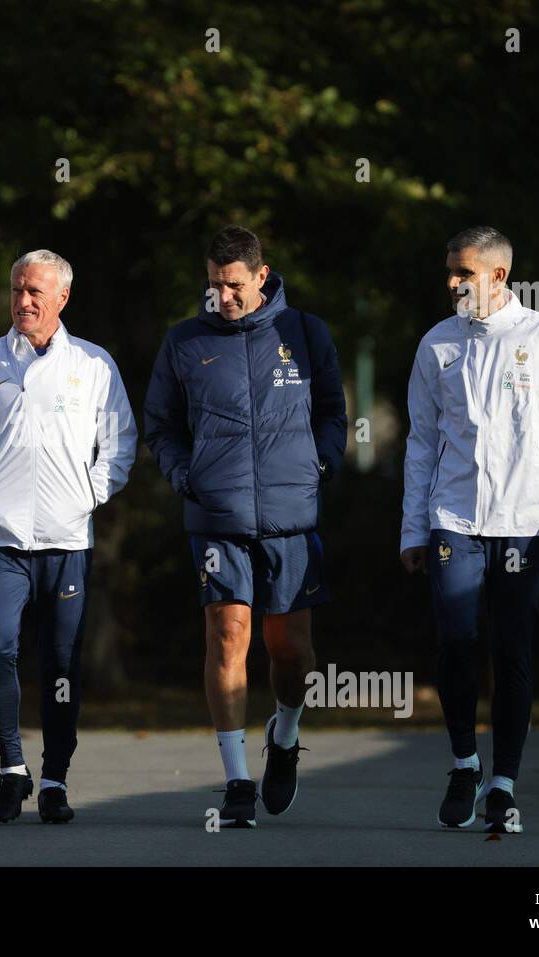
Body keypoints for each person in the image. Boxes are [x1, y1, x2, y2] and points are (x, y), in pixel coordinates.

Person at [145, 225, 347, 828]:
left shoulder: (304, 333)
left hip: (292, 519)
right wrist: (186, 476)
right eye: (213, 285)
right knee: (227, 638)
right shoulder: (184, 341)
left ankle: (284, 737)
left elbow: (334, 412)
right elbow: (161, 425)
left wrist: (322, 464)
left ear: (261, 277)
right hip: (218, 517)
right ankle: (235, 780)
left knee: (291, 651)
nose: (223, 297)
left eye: (234, 285)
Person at [401, 226, 539, 833]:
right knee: (456, 637)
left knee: (512, 646)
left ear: (499, 276)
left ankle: (504, 785)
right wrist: (411, 528)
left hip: (525, 523)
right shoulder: (437, 345)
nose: (454, 283)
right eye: (450, 272)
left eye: (465, 272)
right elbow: (421, 443)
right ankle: (464, 764)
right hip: (453, 519)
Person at [0, 249, 136, 824]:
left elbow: (119, 444)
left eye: (35, 293)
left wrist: (88, 495)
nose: (23, 301)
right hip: (0, 539)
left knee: (62, 663)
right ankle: (11, 769)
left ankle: (54, 779)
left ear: (62, 298)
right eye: (17, 290)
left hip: (68, 540)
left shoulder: (94, 365)